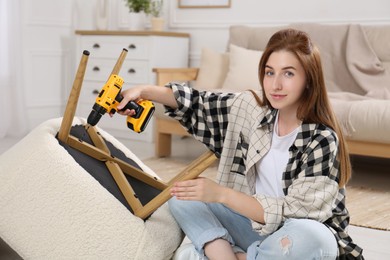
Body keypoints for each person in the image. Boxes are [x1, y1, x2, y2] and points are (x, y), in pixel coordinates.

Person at [117, 29, 364, 260]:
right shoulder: (249, 110)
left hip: (292, 236)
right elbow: (199, 103)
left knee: (316, 238)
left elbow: (298, 213)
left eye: (288, 73)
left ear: (308, 79)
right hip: (252, 227)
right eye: (270, 72)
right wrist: (145, 91)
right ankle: (223, 252)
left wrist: (222, 195)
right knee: (182, 193)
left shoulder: (321, 139)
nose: (275, 84)